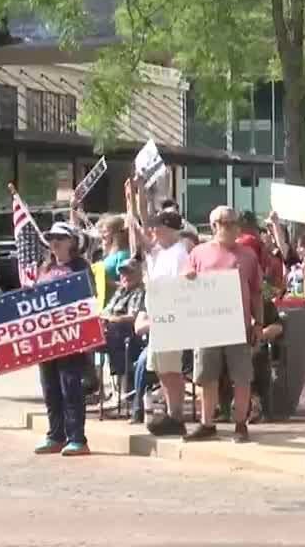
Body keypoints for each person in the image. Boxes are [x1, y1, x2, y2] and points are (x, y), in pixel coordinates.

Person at [183, 206, 262, 443]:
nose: (228, 227)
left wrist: (258, 323)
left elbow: (257, 292)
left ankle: (240, 424)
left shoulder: (248, 255)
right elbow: (183, 285)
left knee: (242, 376)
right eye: (222, 222)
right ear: (213, 225)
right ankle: (207, 424)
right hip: (207, 325)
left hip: (238, 325)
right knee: (207, 376)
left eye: (232, 222)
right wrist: (188, 279)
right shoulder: (198, 253)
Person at [125, 180, 190, 433]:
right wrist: (135, 196)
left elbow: (181, 287)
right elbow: (140, 226)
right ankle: (172, 413)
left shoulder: (178, 252)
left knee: (171, 369)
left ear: (169, 229)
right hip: (157, 317)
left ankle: (177, 416)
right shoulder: (158, 252)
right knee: (162, 370)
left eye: (158, 227)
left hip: (171, 318)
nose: (153, 231)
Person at [32, 222, 94, 456]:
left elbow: (89, 299)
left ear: (72, 242)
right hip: (46, 342)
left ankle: (77, 437)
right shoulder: (45, 268)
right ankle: (55, 435)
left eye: (60, 237)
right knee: (50, 389)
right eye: (51, 237)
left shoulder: (80, 267)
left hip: (71, 340)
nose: (54, 242)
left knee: (71, 388)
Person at [102, 257, 146, 407]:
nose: (125, 277)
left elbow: (132, 316)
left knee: (115, 333)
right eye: (122, 273)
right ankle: (88, 380)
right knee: (88, 338)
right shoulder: (120, 291)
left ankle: (121, 391)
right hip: (111, 330)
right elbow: (105, 311)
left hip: (130, 333)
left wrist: (113, 319)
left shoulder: (140, 291)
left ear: (138, 274)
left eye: (129, 273)